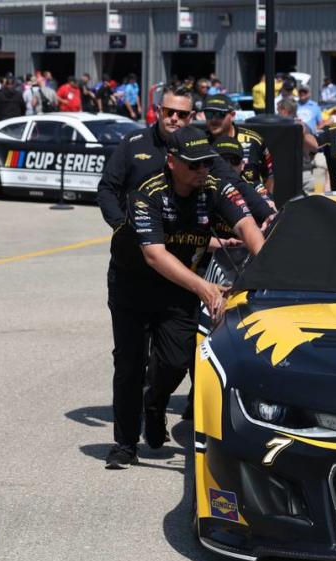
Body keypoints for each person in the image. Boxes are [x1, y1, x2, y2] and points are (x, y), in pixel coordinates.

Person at [105, 126, 264, 469]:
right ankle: (125, 443)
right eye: (194, 165)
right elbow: (155, 255)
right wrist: (205, 288)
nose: (202, 171)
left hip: (179, 284)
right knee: (130, 363)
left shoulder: (214, 185)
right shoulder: (146, 193)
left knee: (177, 361)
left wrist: (266, 274)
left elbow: (247, 226)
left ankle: (155, 403)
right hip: (133, 283)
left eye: (207, 163)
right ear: (172, 161)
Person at [98, 87, 273, 234]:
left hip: (181, 241)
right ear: (159, 111)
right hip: (137, 238)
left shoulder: (199, 147)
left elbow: (234, 182)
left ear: (191, 117)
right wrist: (121, 225)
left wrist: (267, 212)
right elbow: (107, 188)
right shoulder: (133, 142)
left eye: (182, 114)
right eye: (169, 112)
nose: (174, 118)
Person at [202, 94, 275, 196]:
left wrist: (267, 202)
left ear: (232, 115)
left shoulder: (254, 141)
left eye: (219, 114)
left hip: (252, 204)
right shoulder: (201, 142)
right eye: (209, 114)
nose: (213, 120)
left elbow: (269, 175)